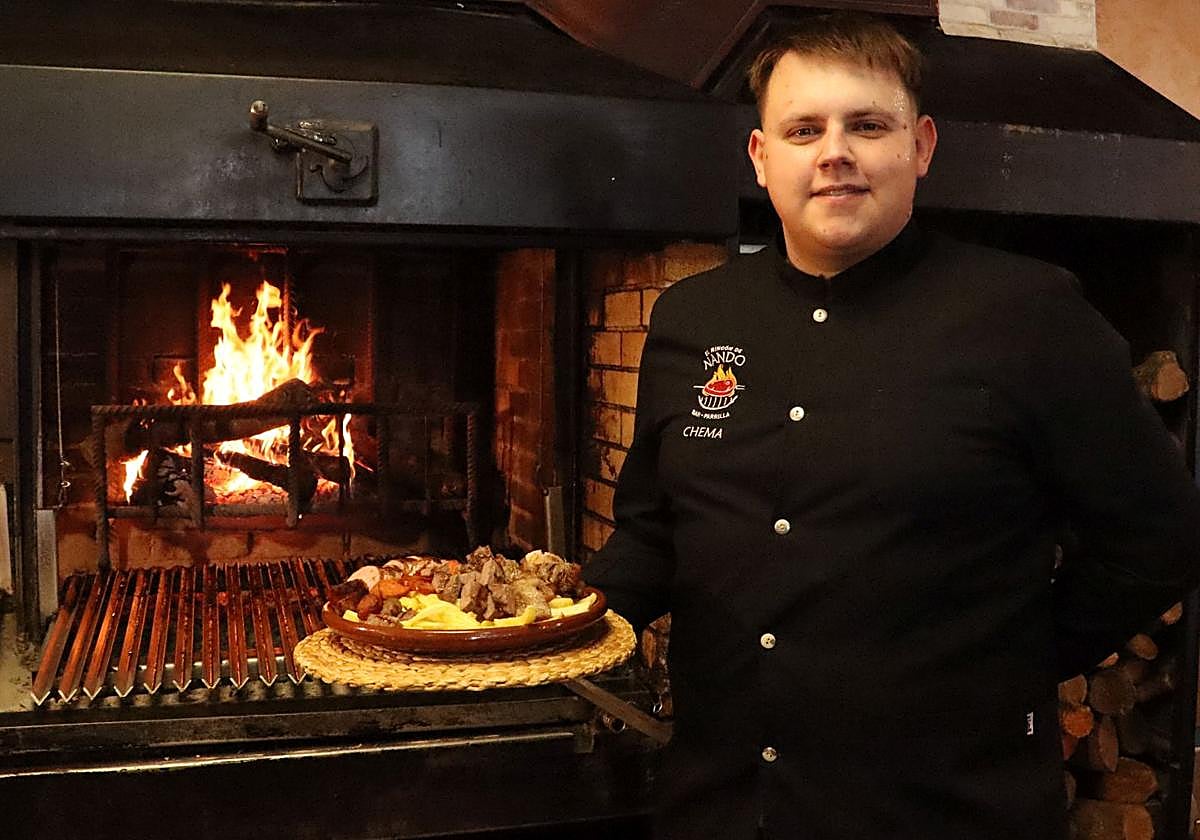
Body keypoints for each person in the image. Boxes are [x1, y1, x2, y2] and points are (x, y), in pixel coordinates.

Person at [585, 11, 1200, 840]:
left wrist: (1007, 663)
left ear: (922, 146)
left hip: (944, 808)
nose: (833, 151)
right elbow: (653, 532)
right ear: (763, 159)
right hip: (722, 801)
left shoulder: (1028, 313)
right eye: (804, 129)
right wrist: (543, 626)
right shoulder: (692, 317)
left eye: (867, 125)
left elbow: (1159, 538)